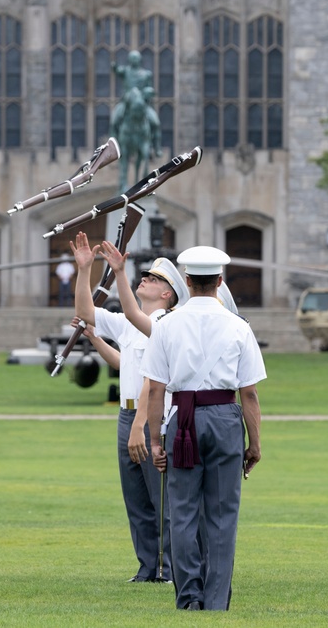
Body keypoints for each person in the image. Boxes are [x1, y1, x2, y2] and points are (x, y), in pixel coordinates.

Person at [142, 246, 265, 611]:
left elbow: (155, 388)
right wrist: (254, 443)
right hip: (225, 417)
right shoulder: (238, 326)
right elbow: (250, 393)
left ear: (187, 282)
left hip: (182, 420)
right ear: (220, 281)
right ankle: (214, 600)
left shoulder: (167, 324)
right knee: (222, 514)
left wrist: (154, 440)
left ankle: (188, 596)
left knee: (181, 511)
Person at [71, 231, 187, 583]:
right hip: (126, 414)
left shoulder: (165, 323)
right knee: (136, 500)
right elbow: (85, 312)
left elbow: (153, 382)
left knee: (161, 499)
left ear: (167, 294)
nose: (145, 280)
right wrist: (84, 270)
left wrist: (140, 425)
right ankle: (147, 566)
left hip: (151, 418)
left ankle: (168, 568)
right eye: (145, 276)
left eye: (153, 279)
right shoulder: (131, 322)